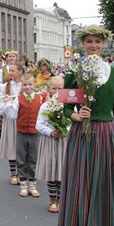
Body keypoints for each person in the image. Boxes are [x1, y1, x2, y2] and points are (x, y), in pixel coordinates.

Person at [58, 26, 114, 226]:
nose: (93, 45)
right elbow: (64, 108)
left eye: (98, 42)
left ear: (103, 44)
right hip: (82, 134)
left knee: (102, 186)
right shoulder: (75, 72)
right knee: (83, 185)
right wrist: (76, 116)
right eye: (89, 41)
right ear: (82, 44)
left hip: (106, 133)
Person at [2, 72, 44, 197]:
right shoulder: (18, 99)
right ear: (22, 86)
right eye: (25, 85)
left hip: (35, 134)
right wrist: (8, 102)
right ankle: (23, 185)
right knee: (21, 159)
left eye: (30, 84)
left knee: (33, 159)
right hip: (21, 133)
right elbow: (12, 115)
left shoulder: (40, 98)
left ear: (35, 84)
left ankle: (33, 184)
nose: (28, 87)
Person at [35, 76, 68, 213]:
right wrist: (50, 132)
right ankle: (52, 200)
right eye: (54, 88)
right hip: (49, 142)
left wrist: (64, 130)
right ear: (48, 89)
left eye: (60, 88)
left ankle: (61, 200)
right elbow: (39, 125)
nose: (57, 91)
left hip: (63, 142)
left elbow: (73, 123)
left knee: (61, 170)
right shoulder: (45, 106)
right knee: (51, 171)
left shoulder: (68, 106)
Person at [0, 62, 23, 185]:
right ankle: (13, 173)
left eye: (12, 70)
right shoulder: (5, 86)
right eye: (10, 70)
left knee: (23, 147)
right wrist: (6, 105)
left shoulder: (26, 85)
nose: (10, 73)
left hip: (23, 119)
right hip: (11, 121)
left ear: (20, 72)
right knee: (12, 145)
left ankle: (23, 173)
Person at [0, 51, 18, 138]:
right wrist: (5, 88)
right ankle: (6, 137)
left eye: (13, 56)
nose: (12, 58)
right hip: (6, 94)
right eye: (10, 56)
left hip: (17, 93)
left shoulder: (20, 68)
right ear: (6, 58)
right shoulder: (2, 70)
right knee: (5, 115)